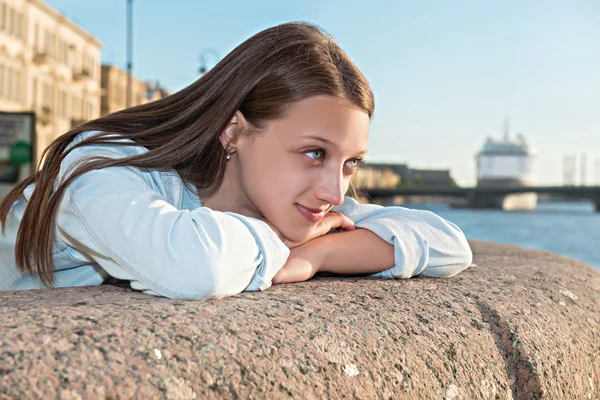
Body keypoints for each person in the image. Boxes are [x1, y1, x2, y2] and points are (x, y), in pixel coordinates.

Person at [0, 22, 472, 300]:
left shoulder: (289, 203)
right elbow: (195, 265)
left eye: (351, 163)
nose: (335, 192)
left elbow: (448, 244)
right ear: (234, 130)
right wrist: (289, 248)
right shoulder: (102, 166)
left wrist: (318, 254)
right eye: (314, 153)